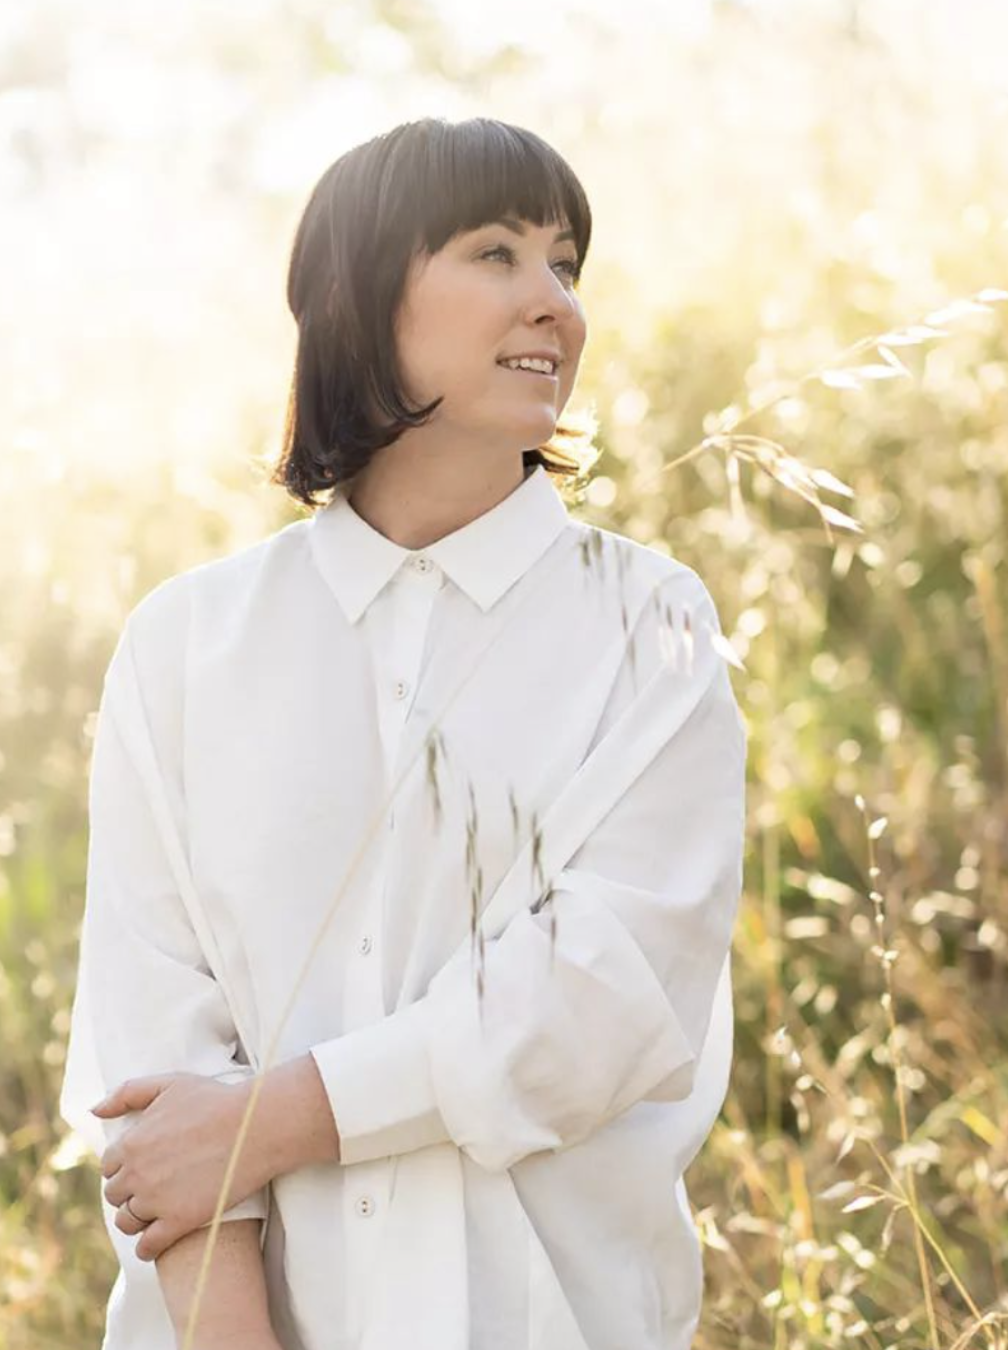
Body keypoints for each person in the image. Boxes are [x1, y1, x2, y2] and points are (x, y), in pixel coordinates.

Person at [59, 115, 747, 1350]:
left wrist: (280, 1116)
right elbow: (149, 1071)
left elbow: (605, 998)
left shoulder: (649, 626)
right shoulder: (187, 645)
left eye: (567, 264)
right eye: (495, 253)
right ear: (361, 296)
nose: (554, 303)